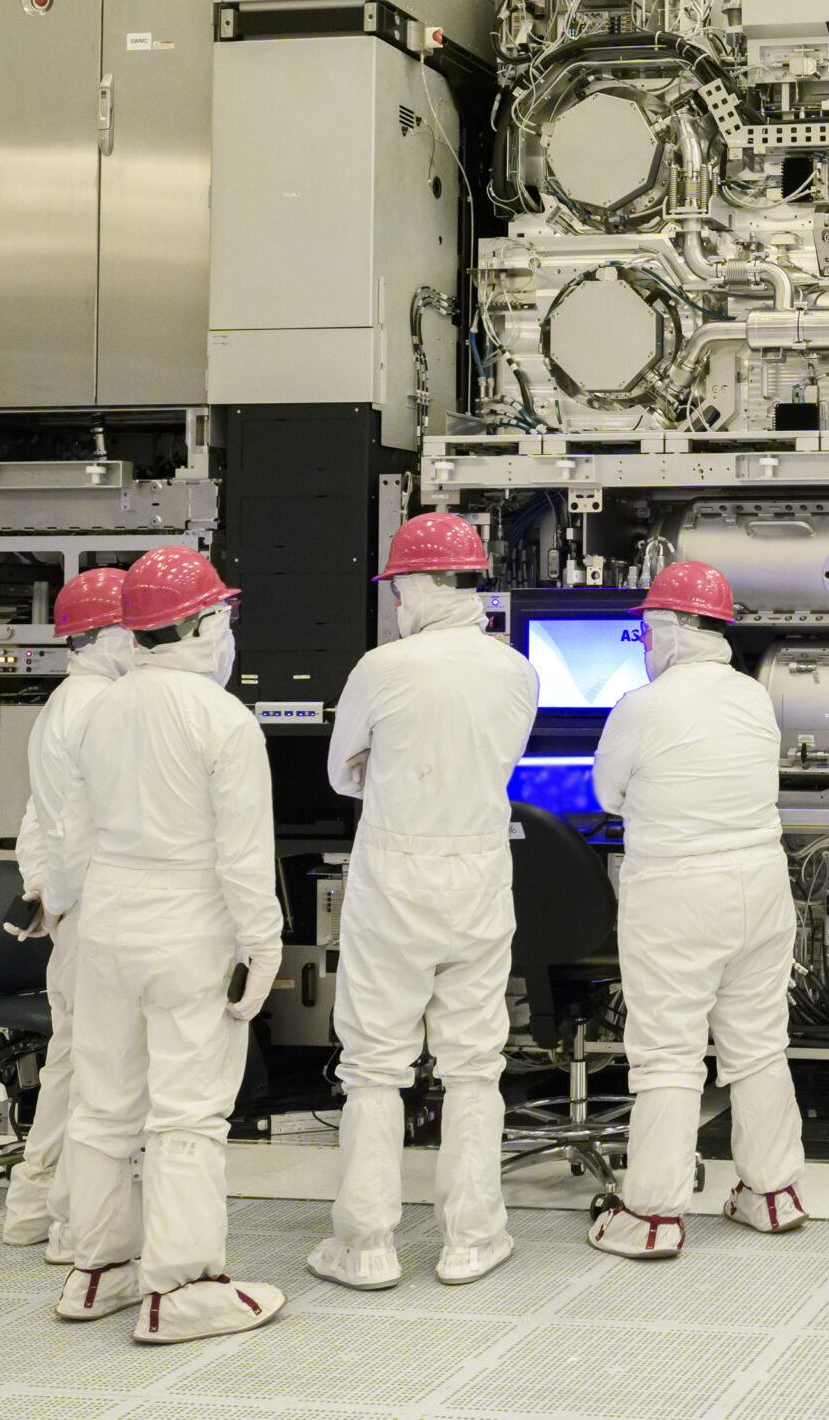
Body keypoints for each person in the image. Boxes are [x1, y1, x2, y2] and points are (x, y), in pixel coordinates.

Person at [57, 546, 286, 1342]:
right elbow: (243, 856)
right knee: (188, 1112)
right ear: (200, 623)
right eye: (222, 613)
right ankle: (179, 1289)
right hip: (189, 923)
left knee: (104, 1104)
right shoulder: (223, 718)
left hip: (108, 920)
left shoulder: (102, 707)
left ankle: (99, 1270)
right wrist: (264, 946)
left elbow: (76, 833)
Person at [309, 513, 538, 1291]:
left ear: (411, 584)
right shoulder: (515, 671)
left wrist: (386, 766)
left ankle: (367, 1244)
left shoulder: (382, 667)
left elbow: (344, 773)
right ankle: (472, 1238)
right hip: (477, 874)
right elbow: (496, 760)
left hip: (394, 877)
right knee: (475, 1063)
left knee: (375, 1064)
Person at [587, 561, 806, 1256]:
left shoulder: (641, 706)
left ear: (666, 628)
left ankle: (651, 1214)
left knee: (668, 1053)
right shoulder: (753, 697)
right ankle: (771, 1193)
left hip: (679, 891)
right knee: (758, 1043)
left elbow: (604, 795)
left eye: (645, 630)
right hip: (762, 887)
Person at [0, 568, 135, 1264]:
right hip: (96, 906)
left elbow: (37, 819)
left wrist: (43, 892)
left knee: (70, 1060)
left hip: (74, 907)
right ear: (107, 634)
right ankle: (68, 1219)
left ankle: (33, 1201)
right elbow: (79, 830)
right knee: (95, 1068)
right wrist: (60, 895)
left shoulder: (62, 703)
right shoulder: (101, 709)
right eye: (135, 627)